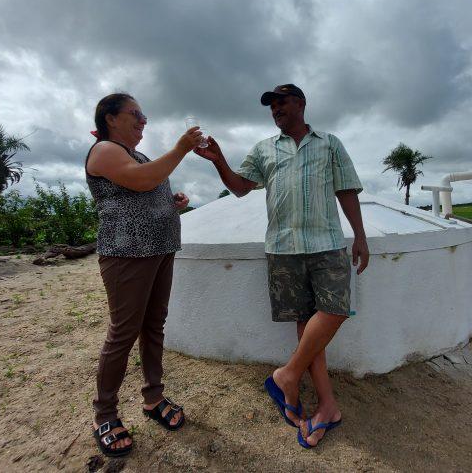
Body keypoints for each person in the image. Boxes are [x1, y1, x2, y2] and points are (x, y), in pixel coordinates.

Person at [195, 84, 369, 448]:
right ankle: (327, 406)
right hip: (283, 248)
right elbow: (241, 187)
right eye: (271, 106)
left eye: (282, 102)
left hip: (327, 245)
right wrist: (219, 160)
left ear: (301, 104)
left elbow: (347, 190)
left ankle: (286, 377)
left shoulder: (330, 144)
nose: (276, 109)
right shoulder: (264, 149)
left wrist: (361, 236)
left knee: (334, 312)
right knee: (307, 328)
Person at [85, 93, 202, 457]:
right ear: (111, 118)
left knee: (154, 325)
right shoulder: (104, 150)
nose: (143, 120)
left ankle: (153, 398)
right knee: (123, 333)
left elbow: (146, 186)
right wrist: (181, 148)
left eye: (144, 115)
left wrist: (171, 203)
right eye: (136, 114)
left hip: (159, 250)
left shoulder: (139, 155)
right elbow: (139, 181)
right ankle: (104, 414)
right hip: (127, 256)